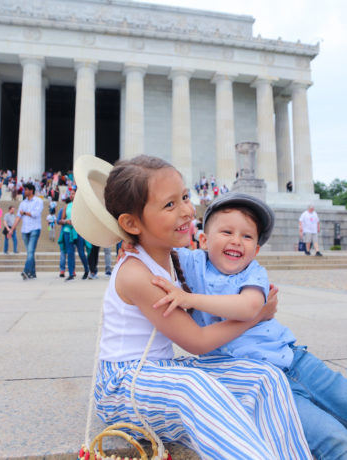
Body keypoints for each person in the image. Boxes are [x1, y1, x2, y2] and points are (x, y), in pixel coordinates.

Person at [73, 155, 311, 459]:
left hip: (159, 372)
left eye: (185, 197)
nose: (187, 210)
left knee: (264, 377)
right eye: (170, 205)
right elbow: (196, 342)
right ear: (131, 223)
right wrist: (257, 317)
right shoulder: (137, 273)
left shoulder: (171, 256)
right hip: (121, 387)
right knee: (195, 388)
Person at [151, 192, 347, 460]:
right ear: (204, 240)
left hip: (298, 361)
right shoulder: (193, 263)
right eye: (227, 231)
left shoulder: (253, 272)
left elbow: (250, 307)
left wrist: (189, 299)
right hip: (267, 387)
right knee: (333, 439)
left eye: (247, 236)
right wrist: (130, 243)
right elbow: (155, 243)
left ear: (255, 249)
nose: (236, 241)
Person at [8, 183, 43, 280]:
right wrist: (11, 230)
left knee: (31, 251)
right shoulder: (23, 203)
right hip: (25, 230)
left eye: (26, 189)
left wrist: (24, 213)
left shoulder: (38, 201)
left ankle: (26, 271)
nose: (24, 191)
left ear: (31, 191)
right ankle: (33, 273)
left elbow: (36, 214)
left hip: (35, 229)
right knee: (29, 252)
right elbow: (18, 217)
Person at [58, 187, 89, 281]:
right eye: (70, 194)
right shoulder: (67, 206)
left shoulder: (83, 206)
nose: (71, 195)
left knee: (81, 253)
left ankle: (86, 270)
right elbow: (60, 220)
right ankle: (71, 273)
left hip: (78, 231)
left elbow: (85, 219)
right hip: (68, 231)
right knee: (70, 253)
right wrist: (66, 221)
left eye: (73, 193)